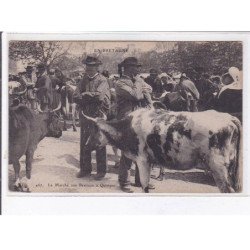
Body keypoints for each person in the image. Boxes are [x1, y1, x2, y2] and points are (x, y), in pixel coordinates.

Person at [115, 57, 154, 192]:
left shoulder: (137, 81)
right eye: (136, 67)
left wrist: (143, 88)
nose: (138, 69)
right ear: (129, 68)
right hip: (127, 121)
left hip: (140, 120)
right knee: (128, 152)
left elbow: (149, 89)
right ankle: (124, 182)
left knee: (142, 150)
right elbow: (136, 96)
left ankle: (140, 180)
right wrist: (140, 85)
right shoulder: (120, 83)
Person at [73, 55, 111, 180]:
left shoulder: (102, 80)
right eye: (87, 66)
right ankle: (85, 169)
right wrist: (88, 97)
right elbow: (75, 96)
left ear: (97, 67)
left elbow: (100, 97)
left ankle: (101, 171)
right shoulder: (83, 80)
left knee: (99, 142)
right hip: (85, 115)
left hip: (98, 115)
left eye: (92, 66)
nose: (89, 68)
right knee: (84, 143)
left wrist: (84, 95)